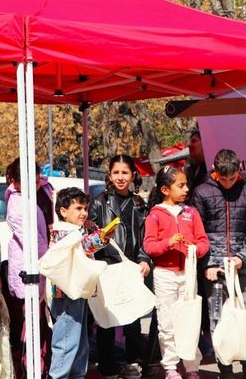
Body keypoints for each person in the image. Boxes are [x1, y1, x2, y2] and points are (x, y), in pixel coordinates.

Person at [189, 149, 246, 379]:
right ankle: (225, 367)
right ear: (215, 171)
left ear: (239, 169)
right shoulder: (202, 192)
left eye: (232, 178)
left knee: (245, 315)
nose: (228, 183)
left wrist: (243, 257)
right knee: (217, 318)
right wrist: (207, 265)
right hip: (214, 269)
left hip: (242, 267)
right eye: (223, 179)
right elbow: (197, 233)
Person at [143, 166, 209, 379]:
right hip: (165, 275)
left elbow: (203, 241)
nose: (186, 189)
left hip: (188, 274)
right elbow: (149, 246)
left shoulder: (192, 213)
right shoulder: (155, 215)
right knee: (167, 322)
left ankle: (191, 367)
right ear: (165, 189)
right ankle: (171, 367)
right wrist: (168, 243)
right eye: (181, 185)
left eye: (186, 184)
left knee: (190, 321)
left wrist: (196, 250)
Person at [89, 154, 152, 379]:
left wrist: (144, 259)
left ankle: (134, 361)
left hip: (132, 267)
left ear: (133, 175)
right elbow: (89, 238)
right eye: (116, 172)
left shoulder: (139, 204)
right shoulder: (99, 202)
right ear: (109, 175)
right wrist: (101, 240)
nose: (120, 177)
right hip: (107, 267)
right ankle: (108, 366)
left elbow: (145, 237)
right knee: (107, 319)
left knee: (132, 319)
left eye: (125, 172)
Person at [48, 187, 115, 379]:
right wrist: (101, 236)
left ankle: (76, 375)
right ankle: (59, 376)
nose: (84, 213)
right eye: (78, 208)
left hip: (76, 291)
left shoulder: (74, 230)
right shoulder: (62, 232)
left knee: (78, 341)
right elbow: (83, 246)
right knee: (66, 341)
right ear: (63, 211)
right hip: (67, 292)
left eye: (85, 208)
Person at [4, 157, 51, 377]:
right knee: (31, 324)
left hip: (35, 266)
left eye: (37, 180)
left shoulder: (26, 198)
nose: (35, 184)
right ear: (16, 181)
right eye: (29, 181)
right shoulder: (17, 206)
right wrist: (51, 258)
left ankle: (37, 367)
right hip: (29, 269)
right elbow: (33, 241)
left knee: (36, 322)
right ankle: (30, 369)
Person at [186, 131, 208, 195]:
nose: (189, 145)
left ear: (204, 143)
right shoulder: (191, 169)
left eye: (194, 141)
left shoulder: (211, 168)